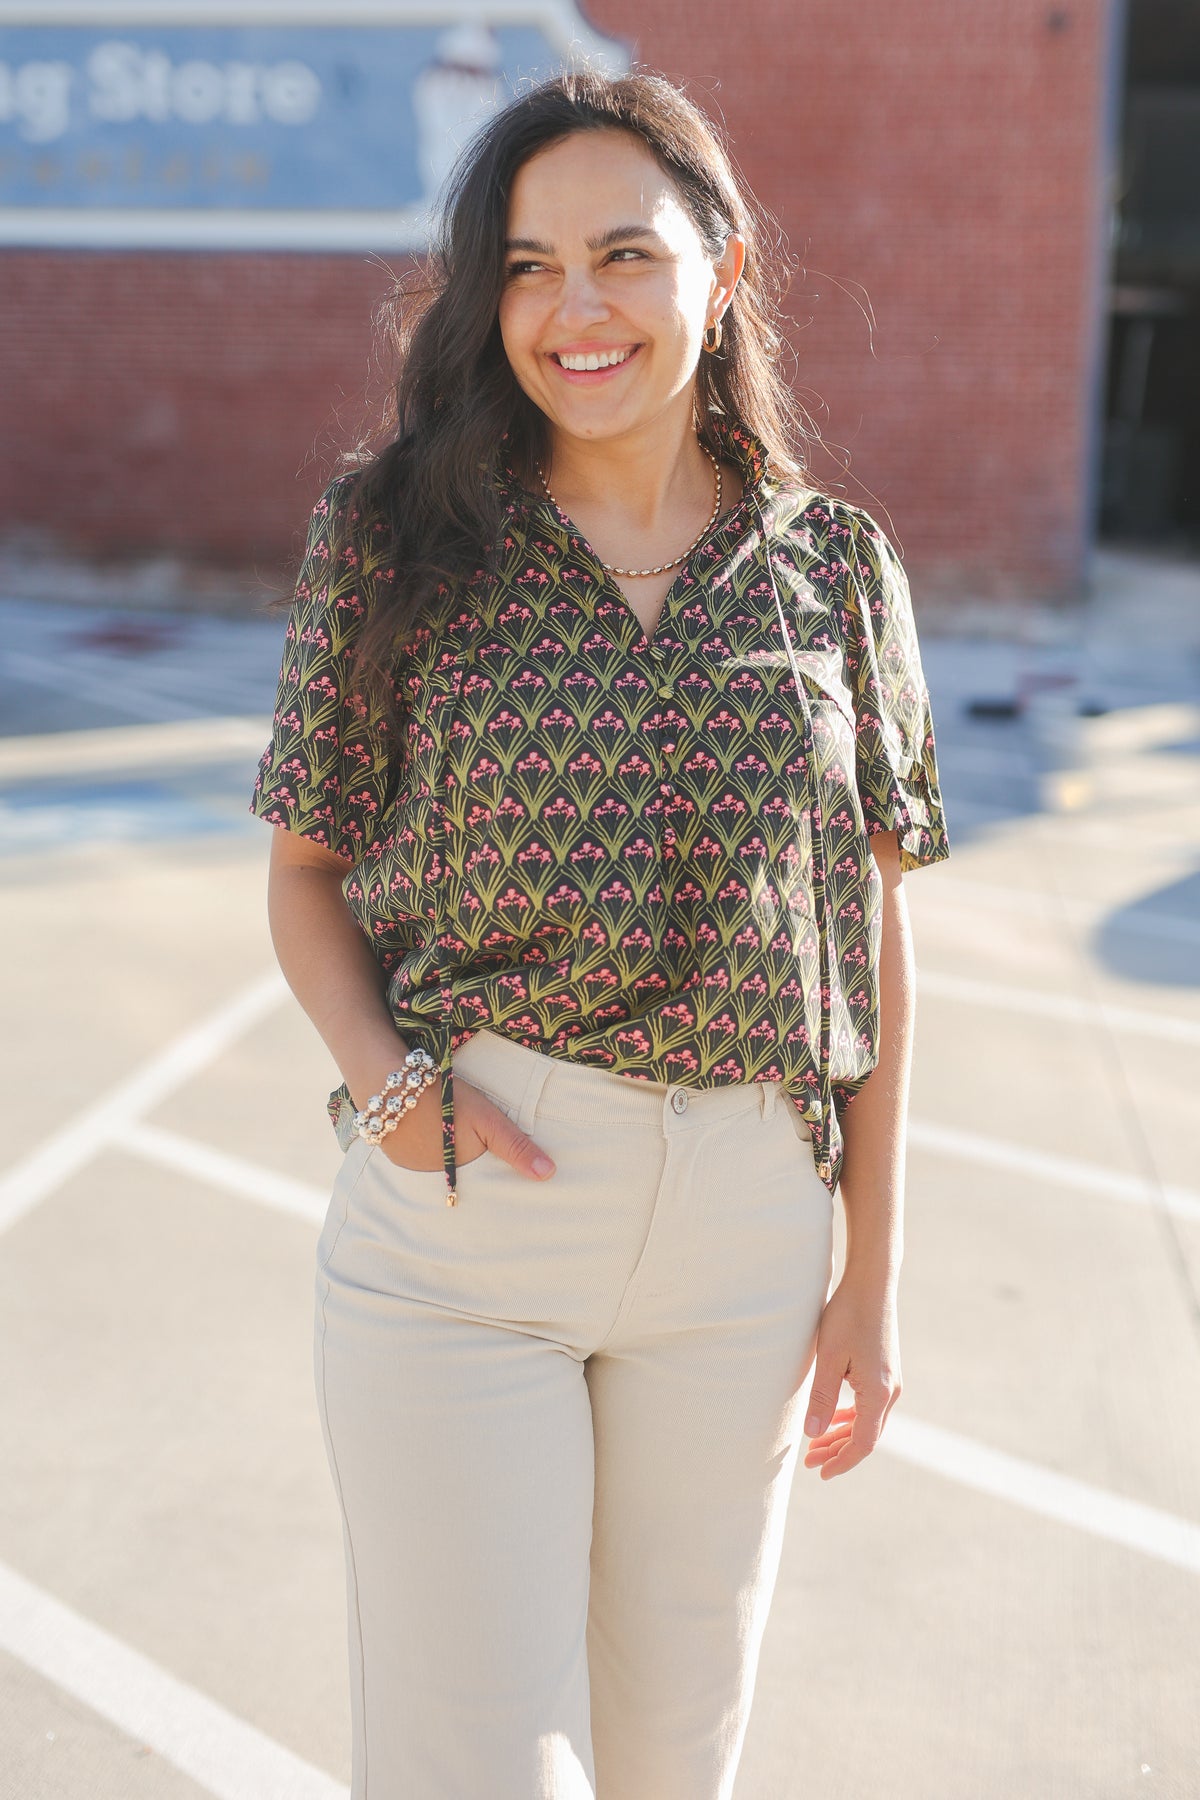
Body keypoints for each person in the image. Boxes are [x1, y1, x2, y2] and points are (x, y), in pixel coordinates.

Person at [251, 66, 949, 1800]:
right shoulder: (395, 538)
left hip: (745, 1234)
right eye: (527, 266)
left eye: (624, 254)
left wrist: (869, 1275)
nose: (576, 308)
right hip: (472, 1214)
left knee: (671, 1759)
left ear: (723, 272)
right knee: (476, 1766)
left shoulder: (836, 566)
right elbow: (305, 871)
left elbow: (866, 928)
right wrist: (389, 1090)